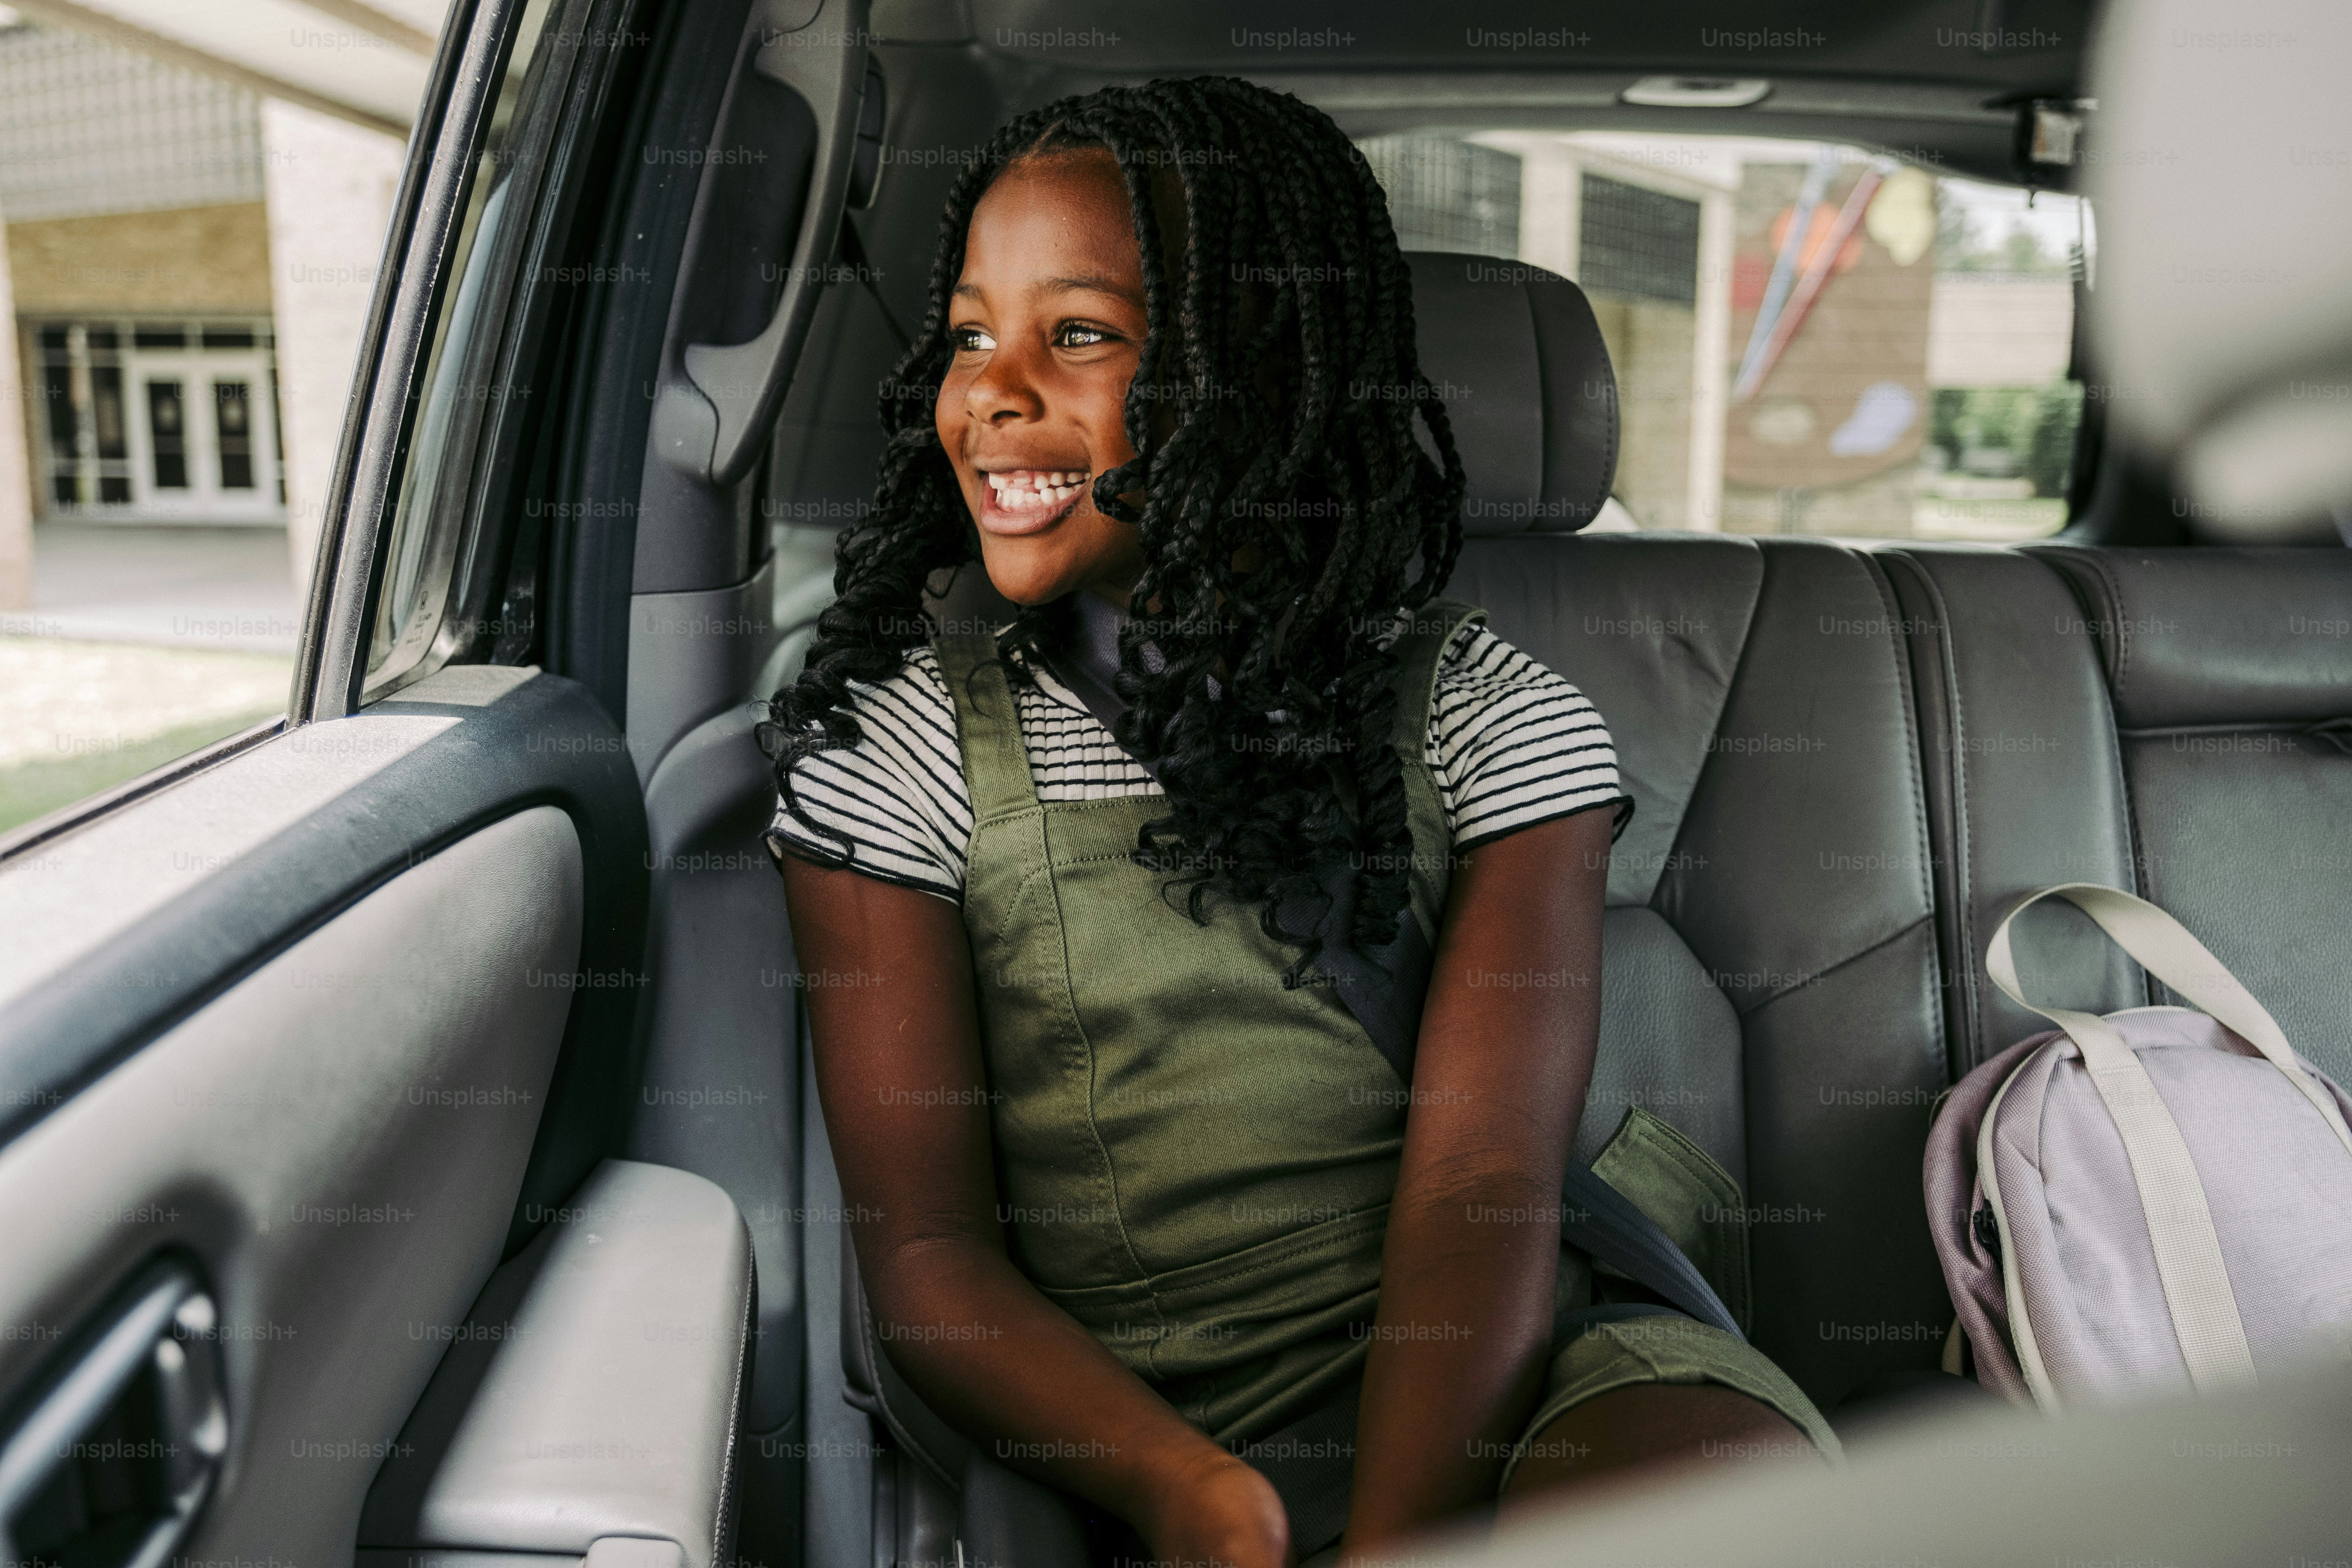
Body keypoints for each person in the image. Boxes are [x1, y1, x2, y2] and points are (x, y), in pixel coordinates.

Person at [758, 75, 1834, 1567]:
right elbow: (931, 1257)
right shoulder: (901, 757)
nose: (991, 392)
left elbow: (1483, 1181)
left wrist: (1394, 1539)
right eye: (966, 334)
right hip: (1165, 1424)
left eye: (1078, 333)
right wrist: (1185, 1488)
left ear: (1251, 367)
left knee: (1710, 1484)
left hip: (1521, 1366)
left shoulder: (1496, 723)